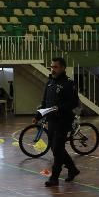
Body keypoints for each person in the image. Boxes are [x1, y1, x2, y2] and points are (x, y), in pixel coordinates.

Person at [35, 57, 80, 186]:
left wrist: (59, 108)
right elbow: (44, 102)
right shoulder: (50, 82)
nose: (52, 69)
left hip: (63, 120)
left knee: (57, 148)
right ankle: (72, 169)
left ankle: (54, 177)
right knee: (56, 148)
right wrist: (37, 116)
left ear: (63, 68)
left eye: (55, 67)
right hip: (51, 120)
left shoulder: (68, 83)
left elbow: (73, 102)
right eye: (51, 67)